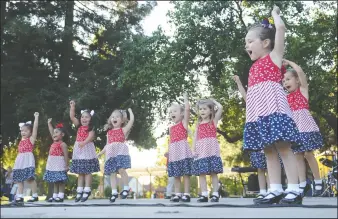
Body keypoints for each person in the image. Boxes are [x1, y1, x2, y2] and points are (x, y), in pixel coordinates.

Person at [243, 6, 303, 204]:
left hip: (274, 109)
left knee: (283, 148)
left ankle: (294, 188)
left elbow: (281, 30)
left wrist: (275, 15)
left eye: (250, 41)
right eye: (246, 43)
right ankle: (275, 189)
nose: (247, 45)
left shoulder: (274, 58)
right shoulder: (253, 67)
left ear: (266, 42)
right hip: (259, 113)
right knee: (268, 150)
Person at [282, 59, 324, 197]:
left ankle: (318, 181)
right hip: (295, 129)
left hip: (305, 126)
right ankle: (302, 184)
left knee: (308, 154)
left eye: (288, 79)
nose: (285, 82)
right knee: (297, 155)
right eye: (284, 81)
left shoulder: (302, 91)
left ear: (297, 81)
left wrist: (289, 62)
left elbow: (300, 72)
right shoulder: (286, 98)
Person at [97, 109, 134, 203]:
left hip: (121, 153)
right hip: (111, 154)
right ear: (110, 120)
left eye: (117, 116)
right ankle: (114, 192)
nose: (114, 118)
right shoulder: (109, 133)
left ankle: (126, 188)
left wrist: (130, 111)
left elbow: (131, 121)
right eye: (113, 117)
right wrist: (101, 153)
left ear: (122, 120)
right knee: (112, 173)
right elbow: (107, 145)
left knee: (121, 170)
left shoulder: (123, 130)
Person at [192, 98, 223, 202]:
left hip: (212, 151)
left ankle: (215, 194)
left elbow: (221, 108)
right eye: (200, 109)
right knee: (202, 173)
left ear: (210, 110)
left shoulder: (213, 121)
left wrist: (214, 101)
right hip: (201, 152)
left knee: (214, 173)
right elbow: (195, 137)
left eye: (205, 109)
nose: (202, 111)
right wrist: (193, 149)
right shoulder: (198, 124)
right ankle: (204, 194)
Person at [69, 100, 100, 202]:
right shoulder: (79, 126)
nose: (84, 119)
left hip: (87, 149)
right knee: (80, 172)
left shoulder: (91, 128)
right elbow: (72, 117)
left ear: (90, 119)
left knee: (87, 171)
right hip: (79, 150)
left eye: (86, 117)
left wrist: (84, 142)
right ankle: (79, 190)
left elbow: (91, 137)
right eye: (82, 117)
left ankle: (87, 189)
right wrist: (73, 107)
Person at [167, 92, 193, 202]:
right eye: (171, 112)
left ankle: (186, 194)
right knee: (176, 176)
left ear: (181, 114)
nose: (172, 113)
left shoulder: (183, 123)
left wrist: (186, 98)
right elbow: (170, 141)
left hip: (183, 152)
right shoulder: (171, 128)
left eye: (175, 111)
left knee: (186, 174)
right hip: (174, 154)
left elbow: (187, 109)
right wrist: (168, 153)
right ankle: (177, 194)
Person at [13, 112, 40, 204]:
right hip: (20, 160)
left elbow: (35, 128)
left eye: (26, 131)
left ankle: (35, 195)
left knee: (30, 178)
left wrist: (36, 117)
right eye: (22, 131)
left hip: (27, 160)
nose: (23, 132)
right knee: (18, 179)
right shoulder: (21, 140)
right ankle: (20, 196)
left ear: (30, 132)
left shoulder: (31, 140)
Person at [43, 119, 69, 202]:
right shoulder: (54, 142)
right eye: (54, 133)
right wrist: (49, 123)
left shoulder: (63, 144)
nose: (54, 134)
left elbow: (66, 155)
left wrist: (67, 165)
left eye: (57, 132)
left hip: (60, 164)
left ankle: (60, 196)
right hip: (52, 164)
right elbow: (51, 132)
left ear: (62, 134)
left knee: (60, 181)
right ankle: (54, 195)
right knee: (55, 181)